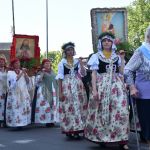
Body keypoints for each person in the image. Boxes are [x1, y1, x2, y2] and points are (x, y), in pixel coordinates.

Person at [84, 32, 129, 150]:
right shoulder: (96, 56)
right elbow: (93, 74)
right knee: (102, 111)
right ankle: (102, 137)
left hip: (116, 85)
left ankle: (121, 139)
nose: (106, 42)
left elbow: (121, 72)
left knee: (120, 109)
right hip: (102, 85)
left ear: (112, 42)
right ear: (101, 43)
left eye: (109, 40)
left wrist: (123, 59)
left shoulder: (117, 56)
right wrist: (94, 90)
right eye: (104, 41)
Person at [56, 42, 88, 138]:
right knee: (69, 107)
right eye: (68, 50)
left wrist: (82, 64)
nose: (70, 52)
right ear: (65, 52)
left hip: (78, 86)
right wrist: (60, 92)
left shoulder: (77, 62)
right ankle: (70, 129)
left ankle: (79, 128)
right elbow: (60, 78)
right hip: (67, 85)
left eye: (72, 50)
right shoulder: (62, 63)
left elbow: (83, 74)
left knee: (79, 106)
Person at [124, 26, 150, 144]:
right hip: (144, 91)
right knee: (146, 119)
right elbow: (128, 70)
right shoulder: (141, 51)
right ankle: (146, 136)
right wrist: (132, 86)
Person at [32, 59, 59, 127]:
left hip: (53, 90)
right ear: (43, 65)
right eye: (46, 63)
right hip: (44, 90)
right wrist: (42, 73)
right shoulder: (40, 72)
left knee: (53, 105)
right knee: (46, 106)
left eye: (48, 63)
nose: (48, 65)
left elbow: (56, 80)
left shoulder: (53, 72)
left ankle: (52, 120)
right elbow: (37, 81)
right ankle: (47, 121)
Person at [6, 58, 31, 129]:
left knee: (23, 107)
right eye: (16, 63)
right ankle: (16, 124)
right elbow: (14, 80)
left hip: (23, 92)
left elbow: (28, 81)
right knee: (16, 108)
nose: (18, 64)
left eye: (19, 63)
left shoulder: (22, 71)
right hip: (14, 93)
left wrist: (25, 74)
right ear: (13, 65)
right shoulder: (10, 73)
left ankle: (22, 123)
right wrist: (22, 72)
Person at [0, 55, 7, 127]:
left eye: (2, 62)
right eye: (0, 62)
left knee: (5, 105)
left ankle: (4, 121)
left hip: (5, 90)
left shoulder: (7, 70)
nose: (1, 63)